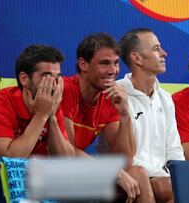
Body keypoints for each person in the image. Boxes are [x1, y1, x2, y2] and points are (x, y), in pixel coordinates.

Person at [61, 33, 153, 203]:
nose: (112, 71)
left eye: (116, 63)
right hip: (48, 167)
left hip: (78, 171)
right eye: (104, 63)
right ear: (83, 65)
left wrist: (125, 114)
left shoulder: (109, 96)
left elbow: (124, 160)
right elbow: (65, 152)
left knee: (138, 173)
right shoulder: (65, 89)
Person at [0, 44, 74, 186]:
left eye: (57, 78)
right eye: (46, 77)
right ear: (24, 79)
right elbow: (10, 162)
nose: (54, 85)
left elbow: (67, 162)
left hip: (29, 178)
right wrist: (41, 116)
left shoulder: (50, 104)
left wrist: (51, 117)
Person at [118, 28, 185, 203]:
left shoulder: (166, 98)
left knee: (184, 186)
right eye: (156, 48)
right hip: (127, 173)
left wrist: (182, 177)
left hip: (161, 177)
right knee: (167, 186)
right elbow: (123, 155)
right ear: (136, 58)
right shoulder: (117, 94)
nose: (164, 53)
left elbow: (174, 149)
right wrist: (163, 177)